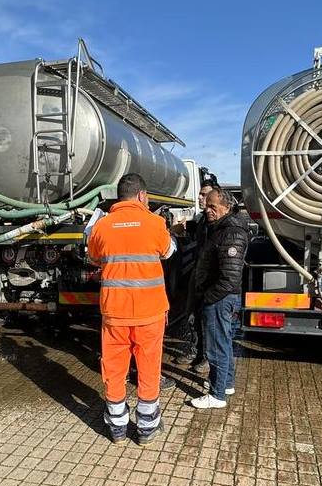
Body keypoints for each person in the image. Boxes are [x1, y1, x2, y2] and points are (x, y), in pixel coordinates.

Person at [87, 173, 175, 444]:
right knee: (148, 367)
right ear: (141, 196)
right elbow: (169, 251)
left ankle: (117, 428)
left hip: (114, 312)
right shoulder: (155, 223)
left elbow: (93, 257)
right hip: (150, 313)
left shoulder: (102, 226)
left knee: (114, 368)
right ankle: (147, 428)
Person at [191, 188, 248, 409]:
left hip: (220, 298)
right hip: (221, 297)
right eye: (207, 205)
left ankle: (216, 395)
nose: (208, 210)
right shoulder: (221, 229)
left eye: (213, 206)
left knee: (216, 347)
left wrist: (208, 297)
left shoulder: (231, 232)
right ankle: (226, 384)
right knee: (223, 343)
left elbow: (229, 276)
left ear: (226, 206)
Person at [174, 182, 216, 373]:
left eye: (203, 194)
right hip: (198, 273)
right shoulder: (202, 219)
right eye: (200, 194)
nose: (199, 197)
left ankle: (208, 357)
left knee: (208, 318)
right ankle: (196, 351)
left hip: (209, 277)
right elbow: (193, 228)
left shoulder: (217, 221)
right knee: (193, 315)